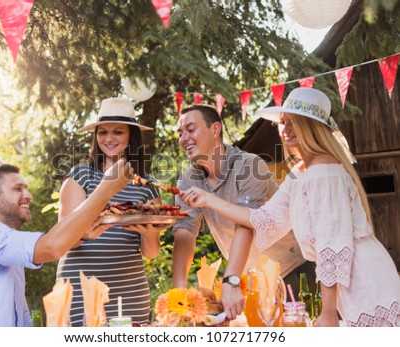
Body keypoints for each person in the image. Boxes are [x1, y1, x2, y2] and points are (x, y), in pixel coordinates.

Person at [180, 88, 400, 327]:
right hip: (347, 284)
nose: (286, 129)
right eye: (284, 122)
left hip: (364, 280)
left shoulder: (324, 173)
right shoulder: (301, 172)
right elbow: (264, 219)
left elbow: (332, 246)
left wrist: (327, 313)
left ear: (313, 128)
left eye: (295, 123)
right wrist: (207, 199)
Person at [0, 159, 132, 327]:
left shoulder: (7, 249)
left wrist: (81, 235)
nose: (29, 195)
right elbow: (51, 247)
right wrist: (106, 189)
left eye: (26, 188)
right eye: (17, 189)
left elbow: (20, 321)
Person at [173, 103, 306, 320]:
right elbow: (185, 230)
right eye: (180, 133)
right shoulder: (188, 179)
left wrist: (231, 280)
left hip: (291, 272)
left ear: (215, 129)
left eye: (190, 129)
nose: (183, 138)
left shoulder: (250, 165)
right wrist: (178, 292)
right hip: (251, 279)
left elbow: (247, 223)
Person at [56, 97, 167, 326]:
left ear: (131, 137)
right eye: (102, 132)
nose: (108, 138)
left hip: (129, 293)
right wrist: (86, 232)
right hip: (81, 290)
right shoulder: (81, 176)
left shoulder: (147, 185)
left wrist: (149, 233)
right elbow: (61, 240)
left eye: (118, 132)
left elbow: (151, 252)